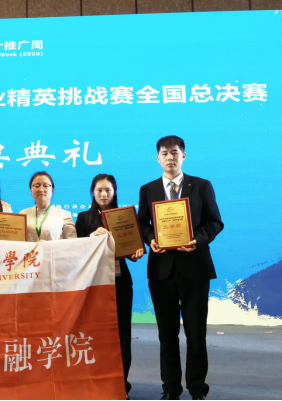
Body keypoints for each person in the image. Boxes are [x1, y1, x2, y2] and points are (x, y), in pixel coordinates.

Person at [138, 136, 224, 401]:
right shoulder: (148, 189)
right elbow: (142, 223)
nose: (170, 157)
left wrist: (197, 240)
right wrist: (150, 239)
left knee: (196, 332)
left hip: (194, 267)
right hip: (161, 270)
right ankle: (170, 388)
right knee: (167, 333)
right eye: (164, 153)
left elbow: (215, 222)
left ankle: (197, 389)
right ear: (158, 158)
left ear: (183, 156)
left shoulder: (201, 185)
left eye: (174, 152)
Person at [75, 174, 144, 399]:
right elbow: (75, 251)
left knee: (122, 334)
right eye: (99, 190)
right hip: (93, 284)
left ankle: (121, 385)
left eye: (108, 190)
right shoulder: (83, 218)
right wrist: (91, 237)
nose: (104, 194)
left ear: (114, 192)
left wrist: (136, 252)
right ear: (92, 192)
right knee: (94, 334)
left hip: (120, 282)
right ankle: (95, 384)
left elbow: (132, 251)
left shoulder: (124, 216)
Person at [20, 172, 77, 241]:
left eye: (46, 185)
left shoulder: (64, 214)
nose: (41, 189)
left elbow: (72, 242)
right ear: (31, 189)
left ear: (52, 189)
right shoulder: (23, 214)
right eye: (37, 186)